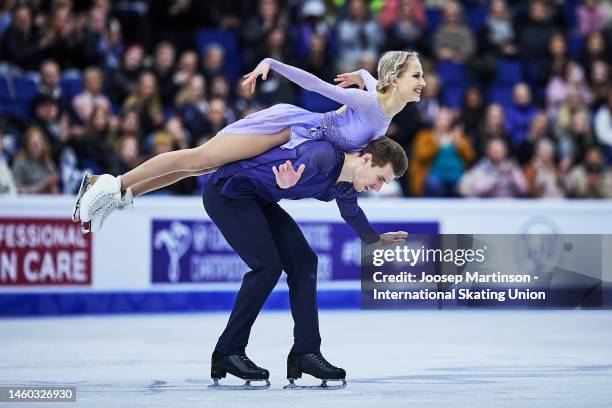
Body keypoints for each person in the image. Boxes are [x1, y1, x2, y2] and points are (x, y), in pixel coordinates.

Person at [89, 136, 409, 388]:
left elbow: (351, 212)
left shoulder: (344, 183)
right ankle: (228, 350)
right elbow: (299, 161)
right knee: (267, 266)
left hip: (257, 200)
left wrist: (374, 240)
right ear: (367, 159)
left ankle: (306, 353)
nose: (378, 188)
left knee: (304, 262)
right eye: (380, 178)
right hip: (229, 192)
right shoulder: (324, 156)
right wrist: (289, 181)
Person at [73, 50, 426, 231]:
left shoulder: (384, 114)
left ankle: (122, 195)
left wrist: (361, 74)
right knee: (199, 159)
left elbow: (372, 80)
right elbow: (317, 86)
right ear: (395, 80)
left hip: (299, 142)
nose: (423, 81)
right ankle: (106, 183)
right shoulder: (369, 105)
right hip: (287, 128)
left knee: (199, 168)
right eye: (417, 75)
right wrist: (272, 63)